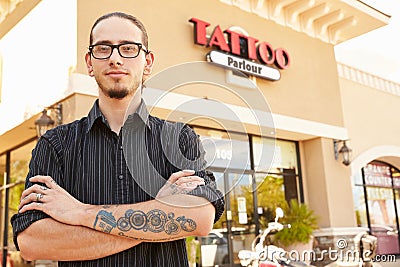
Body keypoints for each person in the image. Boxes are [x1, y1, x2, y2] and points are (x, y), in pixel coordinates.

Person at [11, 11, 224, 267]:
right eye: (103, 49)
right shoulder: (55, 145)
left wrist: (79, 212)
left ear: (148, 62)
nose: (115, 58)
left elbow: (199, 217)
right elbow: (33, 242)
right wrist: (159, 211)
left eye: (128, 48)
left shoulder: (179, 139)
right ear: (89, 63)